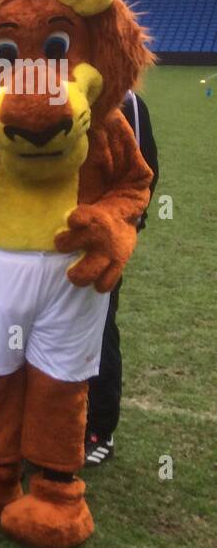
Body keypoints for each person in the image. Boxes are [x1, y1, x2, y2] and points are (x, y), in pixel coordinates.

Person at [85, 88, 160, 465]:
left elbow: (143, 175)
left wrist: (118, 231)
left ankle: (99, 429)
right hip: (49, 240)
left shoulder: (126, 101)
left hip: (103, 243)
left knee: (98, 330)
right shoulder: (51, 87)